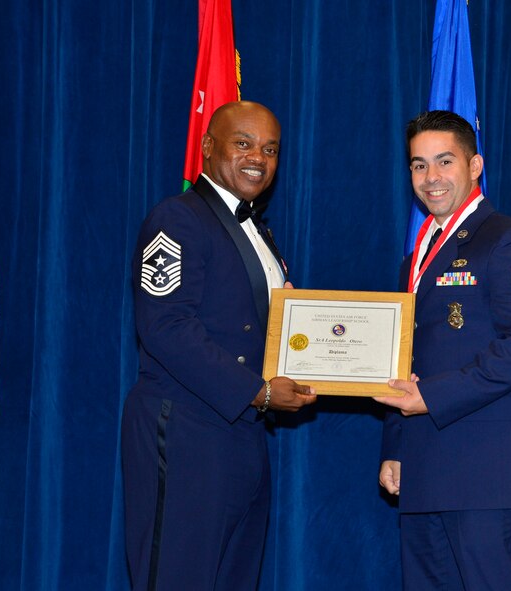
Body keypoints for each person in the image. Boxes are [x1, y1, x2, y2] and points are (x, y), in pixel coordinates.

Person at [121, 100, 317, 591]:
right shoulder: (177, 219)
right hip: (185, 431)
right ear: (208, 148)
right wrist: (259, 392)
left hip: (242, 434)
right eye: (243, 143)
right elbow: (166, 327)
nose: (258, 158)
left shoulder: (257, 230)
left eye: (270, 149)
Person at [375, 110, 511, 590]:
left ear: (475, 166)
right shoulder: (416, 256)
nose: (431, 178)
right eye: (418, 165)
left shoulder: (509, 239)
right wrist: (396, 447)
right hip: (423, 471)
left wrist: (432, 398)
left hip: (487, 475)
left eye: (444, 162)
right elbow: (407, 358)